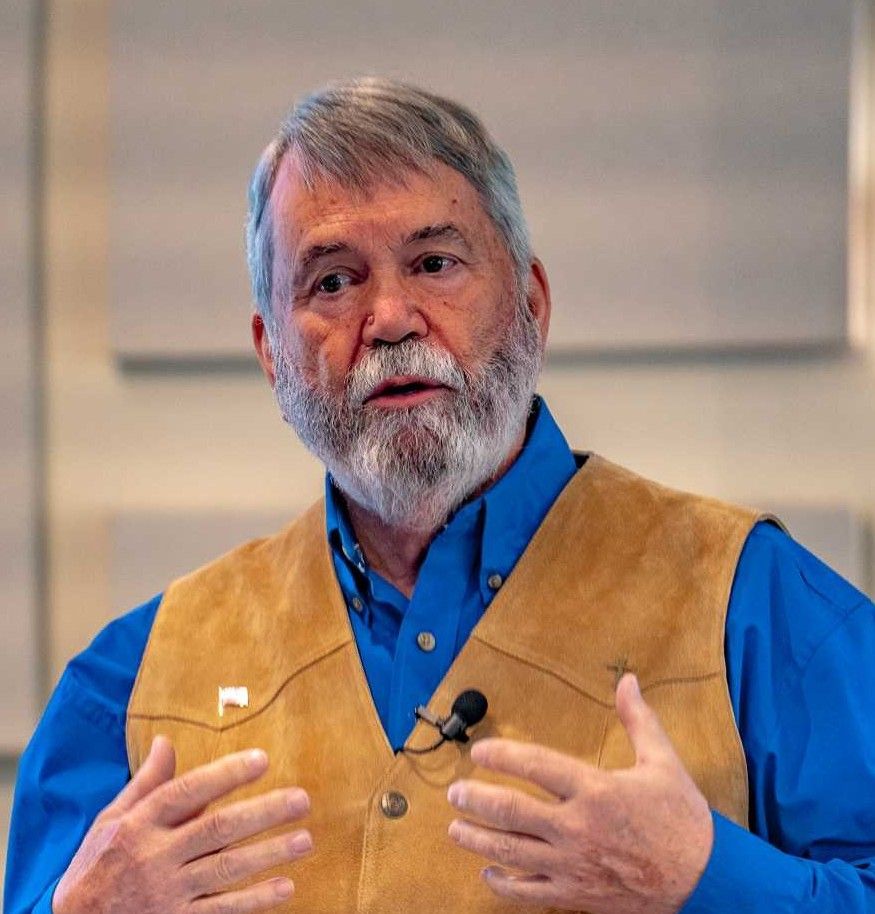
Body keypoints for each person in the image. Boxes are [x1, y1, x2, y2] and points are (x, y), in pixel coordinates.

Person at [5, 77, 875, 914]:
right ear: (271, 351)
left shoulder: (748, 602)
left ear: (531, 302)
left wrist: (707, 878)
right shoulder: (132, 679)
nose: (388, 318)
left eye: (433, 261)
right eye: (332, 281)